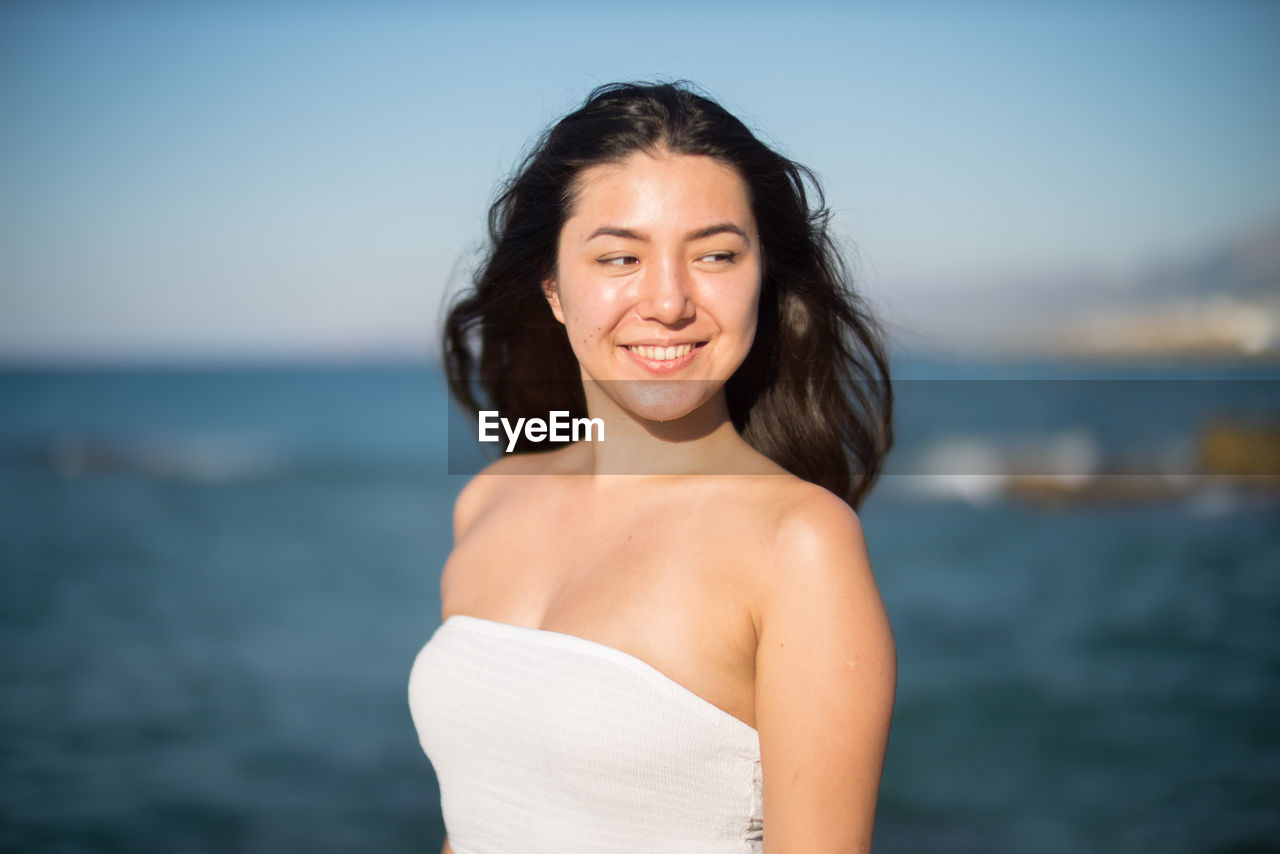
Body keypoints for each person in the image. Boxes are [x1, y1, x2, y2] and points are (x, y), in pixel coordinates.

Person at [409, 81, 896, 853]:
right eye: (619, 256)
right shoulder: (490, 500)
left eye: (715, 255)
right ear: (554, 290)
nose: (667, 300)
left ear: (762, 280)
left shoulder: (799, 544)